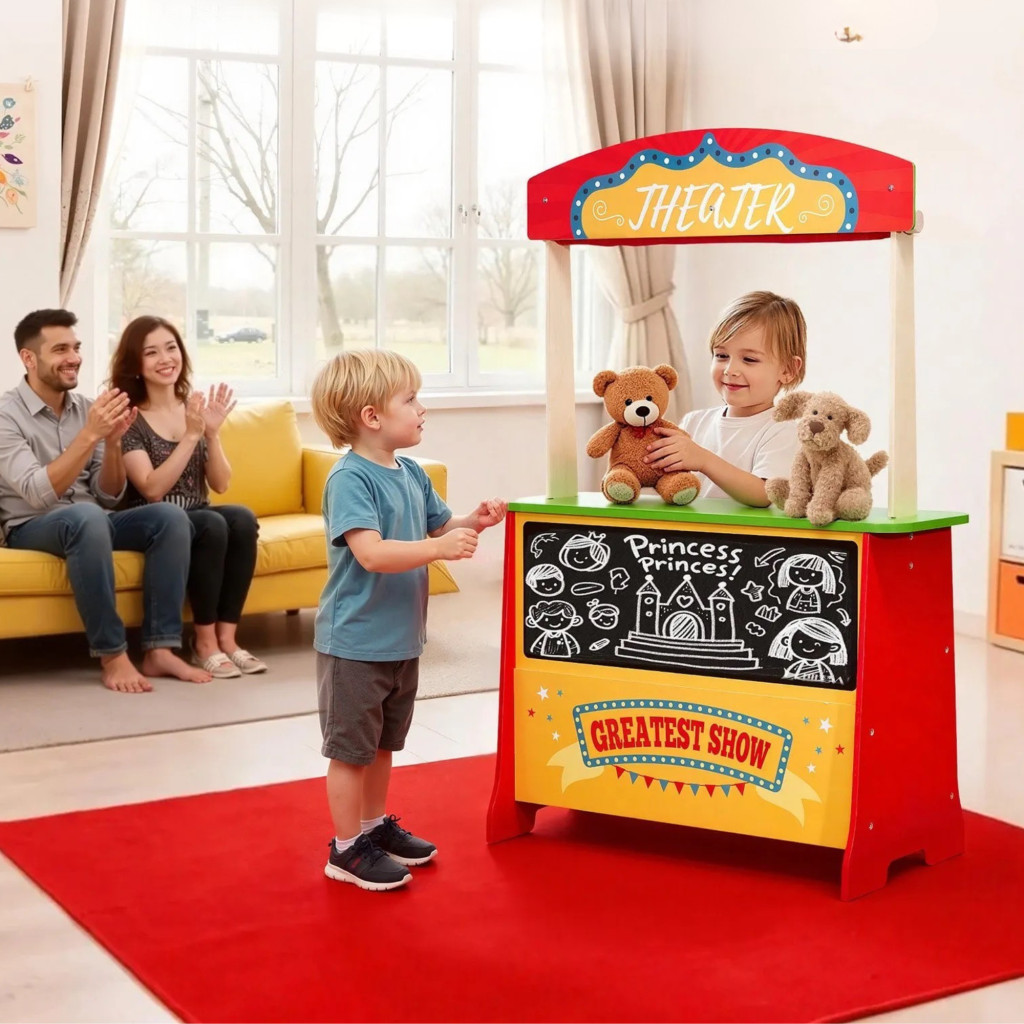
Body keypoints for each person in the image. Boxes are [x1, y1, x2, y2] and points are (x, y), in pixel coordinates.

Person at [310, 348, 507, 891]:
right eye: (411, 399)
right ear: (372, 416)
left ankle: (372, 828)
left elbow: (442, 525)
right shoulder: (349, 479)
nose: (423, 409)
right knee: (350, 751)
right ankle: (345, 850)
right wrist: (439, 549)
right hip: (355, 643)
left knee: (383, 744)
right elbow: (371, 553)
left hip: (400, 640)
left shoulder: (412, 473)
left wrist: (475, 521)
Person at [0, 309, 208, 693]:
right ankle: (113, 654)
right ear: (28, 358)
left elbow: (108, 495)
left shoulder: (86, 408)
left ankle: (160, 648)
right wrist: (89, 436)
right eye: (60, 350)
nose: (74, 358)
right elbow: (36, 491)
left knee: (169, 517)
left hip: (91, 521)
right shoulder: (5, 416)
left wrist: (112, 444)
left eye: (76, 347)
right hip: (31, 526)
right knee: (86, 516)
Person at [108, 316, 266, 679]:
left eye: (171, 348)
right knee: (210, 523)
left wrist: (211, 433)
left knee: (241, 518)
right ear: (136, 363)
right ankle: (204, 643)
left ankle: (228, 639)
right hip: (154, 519)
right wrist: (191, 436)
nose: (165, 359)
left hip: (198, 511)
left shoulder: (191, 409)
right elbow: (151, 488)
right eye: (151, 352)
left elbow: (221, 484)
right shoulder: (131, 419)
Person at [643, 290, 807, 507]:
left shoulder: (783, 431)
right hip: (688, 528)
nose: (730, 370)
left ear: (788, 370)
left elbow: (765, 494)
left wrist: (703, 460)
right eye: (721, 356)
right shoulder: (694, 422)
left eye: (749, 359)